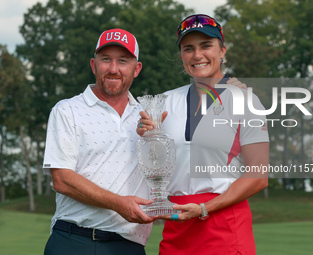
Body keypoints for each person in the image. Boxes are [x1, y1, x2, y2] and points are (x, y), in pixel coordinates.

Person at [137, 14, 269, 255]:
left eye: (206, 45)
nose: (197, 55)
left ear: (222, 51)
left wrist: (204, 208)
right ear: (181, 56)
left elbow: (258, 177)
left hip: (224, 225)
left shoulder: (246, 100)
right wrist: (145, 134)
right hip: (176, 226)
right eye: (188, 48)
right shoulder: (166, 101)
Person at [43, 28, 155, 255]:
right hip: (74, 240)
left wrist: (154, 142)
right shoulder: (67, 110)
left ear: (137, 69)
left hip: (129, 246)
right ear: (94, 65)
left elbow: (162, 177)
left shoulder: (148, 117)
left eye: (123, 61)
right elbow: (62, 180)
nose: (113, 69)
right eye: (106, 60)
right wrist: (118, 203)